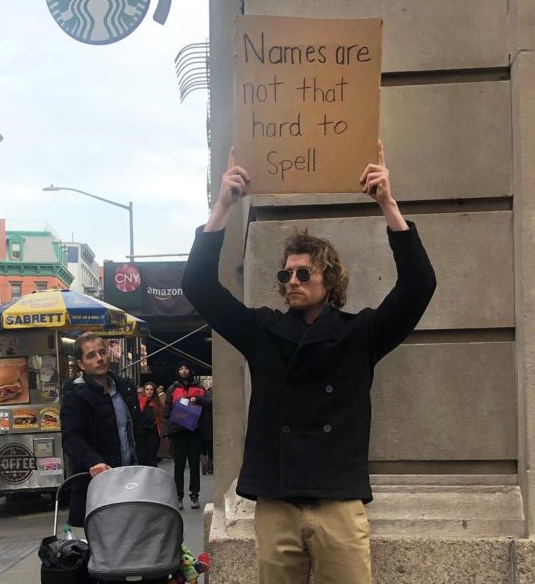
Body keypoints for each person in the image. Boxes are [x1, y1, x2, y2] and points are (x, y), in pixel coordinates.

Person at [181, 143, 436, 584]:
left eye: (303, 273)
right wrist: (222, 204)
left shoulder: (360, 334)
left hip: (337, 501)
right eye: (285, 274)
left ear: (330, 279)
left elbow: (418, 287)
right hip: (276, 500)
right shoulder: (262, 331)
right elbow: (198, 286)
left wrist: (387, 204)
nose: (292, 281)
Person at [61, 332, 143, 528]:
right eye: (91, 355)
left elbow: (137, 431)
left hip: (133, 482)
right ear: (81, 364)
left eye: (102, 352)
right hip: (98, 487)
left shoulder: (125, 388)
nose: (100, 359)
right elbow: (72, 437)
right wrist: (93, 461)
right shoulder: (75, 394)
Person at [163, 362, 212, 510]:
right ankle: (178, 496)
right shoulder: (172, 389)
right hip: (179, 432)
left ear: (190, 370)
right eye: (181, 368)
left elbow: (210, 402)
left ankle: (194, 495)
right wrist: (167, 432)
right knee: (178, 466)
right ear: (178, 371)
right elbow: (167, 411)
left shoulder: (200, 388)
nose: (184, 371)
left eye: (186, 368)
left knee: (194, 465)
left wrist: (197, 399)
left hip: (195, 431)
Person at [139, 381, 163, 467]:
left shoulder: (158, 404)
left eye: (151, 389)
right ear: (144, 391)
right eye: (147, 389)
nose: (149, 391)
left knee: (151, 457)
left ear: (154, 391)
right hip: (141, 432)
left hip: (153, 432)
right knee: (141, 457)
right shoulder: (139, 402)